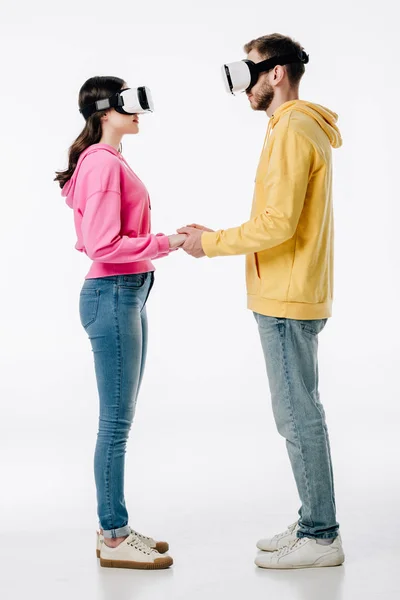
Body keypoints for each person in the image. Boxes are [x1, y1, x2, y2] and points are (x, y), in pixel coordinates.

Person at [178, 33, 345, 569]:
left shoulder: (293, 128)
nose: (242, 83)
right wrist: (216, 234)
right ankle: (312, 518)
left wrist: (211, 244)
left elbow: (278, 225)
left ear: (276, 73)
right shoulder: (291, 127)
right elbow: (277, 219)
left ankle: (321, 535)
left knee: (297, 416)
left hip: (285, 296)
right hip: (288, 290)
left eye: (247, 69)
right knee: (298, 411)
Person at [55, 76, 186, 570]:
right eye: (129, 103)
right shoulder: (103, 166)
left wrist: (158, 244)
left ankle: (117, 526)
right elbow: (103, 245)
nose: (139, 112)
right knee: (114, 424)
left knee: (120, 420)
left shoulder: (104, 161)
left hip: (125, 294)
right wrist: (166, 242)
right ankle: (112, 537)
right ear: (106, 112)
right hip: (113, 293)